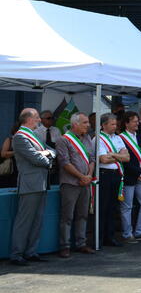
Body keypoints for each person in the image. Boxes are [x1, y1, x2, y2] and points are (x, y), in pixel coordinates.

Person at [9, 109, 54, 266]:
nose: (39, 121)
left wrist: (46, 154)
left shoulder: (33, 135)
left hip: (40, 183)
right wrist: (47, 157)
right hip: (30, 184)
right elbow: (36, 158)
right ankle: (17, 253)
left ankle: (31, 251)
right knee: (25, 221)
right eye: (36, 118)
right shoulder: (20, 137)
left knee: (37, 220)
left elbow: (52, 151)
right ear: (28, 119)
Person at [55, 113, 95, 258]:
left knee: (83, 215)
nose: (88, 125)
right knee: (67, 216)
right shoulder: (63, 140)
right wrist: (81, 176)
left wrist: (89, 175)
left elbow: (91, 158)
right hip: (70, 183)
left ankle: (81, 243)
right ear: (75, 124)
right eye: (85, 123)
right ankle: (64, 246)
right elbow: (64, 162)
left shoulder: (87, 138)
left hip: (85, 183)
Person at [118, 111, 141, 242]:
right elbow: (124, 161)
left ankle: (140, 231)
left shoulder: (140, 136)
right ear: (126, 123)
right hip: (129, 177)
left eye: (138, 121)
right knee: (127, 207)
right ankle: (127, 234)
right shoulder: (120, 138)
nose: (137, 123)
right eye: (134, 121)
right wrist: (138, 173)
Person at [97, 113, 130, 247]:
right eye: (112, 124)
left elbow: (127, 157)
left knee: (112, 207)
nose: (115, 126)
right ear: (104, 125)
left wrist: (113, 155)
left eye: (116, 124)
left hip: (116, 174)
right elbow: (103, 159)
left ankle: (109, 237)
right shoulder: (98, 138)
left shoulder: (117, 138)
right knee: (103, 207)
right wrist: (118, 156)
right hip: (104, 174)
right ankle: (99, 237)